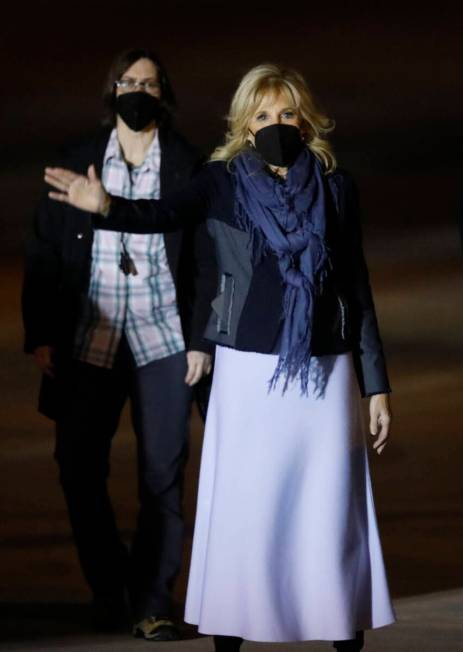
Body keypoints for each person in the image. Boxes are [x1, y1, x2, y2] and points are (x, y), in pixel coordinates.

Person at [44, 63, 396, 651]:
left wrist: (376, 383)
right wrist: (105, 204)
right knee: (245, 507)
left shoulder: (337, 186)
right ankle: (232, 635)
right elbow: (158, 216)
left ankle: (342, 634)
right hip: (249, 371)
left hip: (326, 371)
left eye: (286, 113)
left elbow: (355, 288)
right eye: (261, 115)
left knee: (328, 509)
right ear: (243, 123)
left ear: (306, 119)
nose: (275, 124)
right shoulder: (221, 180)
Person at [23, 48, 216, 641]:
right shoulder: (78, 160)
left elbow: (210, 259)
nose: (137, 90)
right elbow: (45, 253)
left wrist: (203, 339)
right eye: (128, 81)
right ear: (112, 90)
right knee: (78, 467)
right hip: (89, 338)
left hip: (165, 337)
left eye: (149, 82)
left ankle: (154, 599)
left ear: (165, 94)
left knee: (163, 473)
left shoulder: (190, 165)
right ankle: (110, 589)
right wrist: (42, 334)